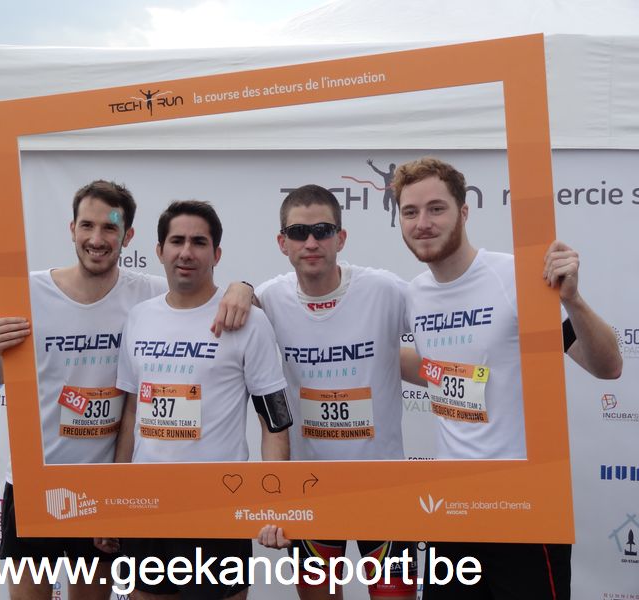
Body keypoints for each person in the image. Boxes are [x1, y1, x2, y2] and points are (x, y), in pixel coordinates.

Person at [0, 182, 253, 600]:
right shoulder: (28, 292)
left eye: (110, 228)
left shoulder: (148, 293)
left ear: (127, 236)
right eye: (87, 225)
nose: (97, 239)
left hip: (103, 488)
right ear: (72, 229)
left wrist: (243, 287)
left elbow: (210, 297)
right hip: (35, 479)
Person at [392, 156, 622, 599]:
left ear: (463, 211)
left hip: (523, 503)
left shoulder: (515, 277)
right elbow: (440, 369)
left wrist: (573, 301)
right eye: (410, 212)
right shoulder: (415, 294)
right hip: (450, 507)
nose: (422, 223)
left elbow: (607, 365)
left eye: (436, 208)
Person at [114, 200, 292, 600]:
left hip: (218, 508)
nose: (186, 252)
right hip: (147, 506)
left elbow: (274, 421)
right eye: (176, 241)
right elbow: (131, 414)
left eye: (199, 242)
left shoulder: (247, 321)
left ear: (217, 254)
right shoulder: (139, 318)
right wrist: (116, 501)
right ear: (159, 251)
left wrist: (275, 503)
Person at [253, 184, 417, 600]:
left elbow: (447, 330)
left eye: (323, 231)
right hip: (311, 489)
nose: (311, 242)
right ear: (282, 243)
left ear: (340, 238)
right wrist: (239, 286)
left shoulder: (384, 290)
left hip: (383, 488)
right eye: (298, 233)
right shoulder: (268, 299)